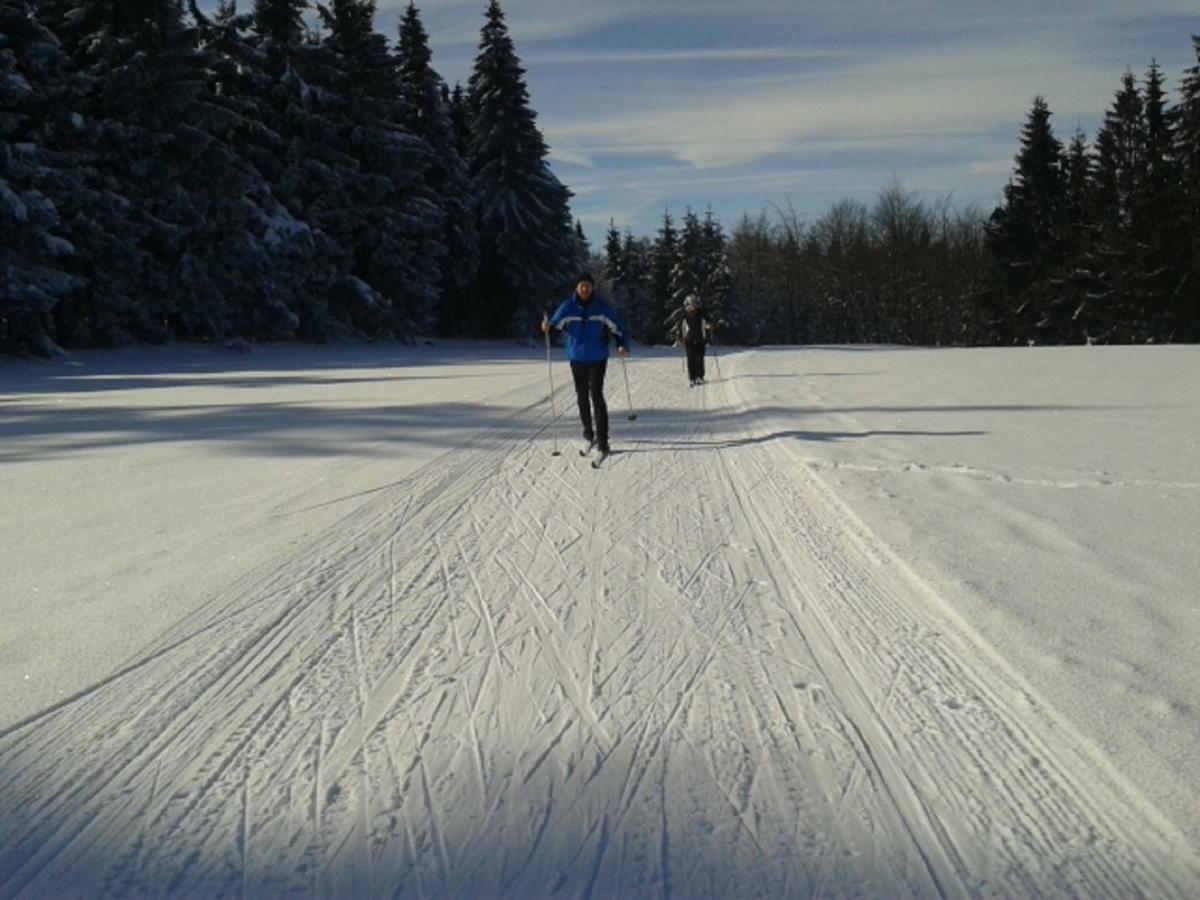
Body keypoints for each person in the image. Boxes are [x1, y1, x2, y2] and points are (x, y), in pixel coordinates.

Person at [543, 273, 630, 454]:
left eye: (588, 286)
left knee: (596, 395)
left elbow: (618, 328)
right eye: (582, 286)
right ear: (576, 288)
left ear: (593, 289)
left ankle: (603, 439)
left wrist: (622, 344)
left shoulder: (601, 308)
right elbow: (554, 326)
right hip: (577, 358)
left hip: (598, 357)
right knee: (582, 396)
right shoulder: (567, 308)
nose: (585, 289)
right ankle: (588, 434)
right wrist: (547, 328)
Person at [675, 294, 711, 385]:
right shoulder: (684, 314)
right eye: (690, 304)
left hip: (700, 339)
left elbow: (707, 322)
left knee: (699, 358)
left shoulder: (701, 313)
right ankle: (692, 377)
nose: (692, 307)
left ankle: (700, 376)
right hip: (689, 339)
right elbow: (680, 327)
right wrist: (680, 338)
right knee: (691, 359)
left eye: (693, 304)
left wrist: (709, 329)